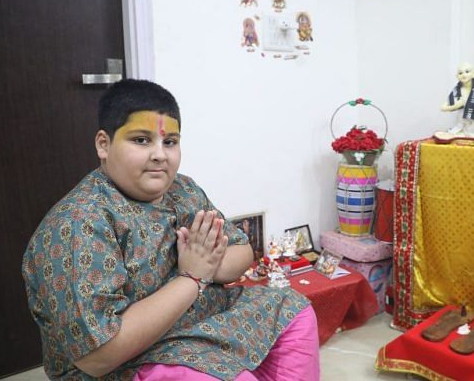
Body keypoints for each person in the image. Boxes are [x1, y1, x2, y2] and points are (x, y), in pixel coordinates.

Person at [22, 79, 319, 380]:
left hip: (197, 323)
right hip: (131, 358)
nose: (159, 155)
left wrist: (205, 267)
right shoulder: (79, 223)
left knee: (294, 312)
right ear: (104, 144)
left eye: (170, 142)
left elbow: (241, 250)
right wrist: (191, 277)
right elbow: (98, 355)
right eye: (141, 140)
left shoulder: (184, 189)